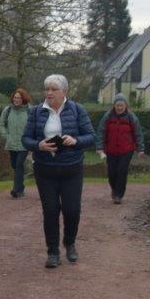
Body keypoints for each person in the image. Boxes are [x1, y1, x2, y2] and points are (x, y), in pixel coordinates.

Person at [21, 73, 95, 269]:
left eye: (54, 89)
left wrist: (75, 141)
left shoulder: (77, 110)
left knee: (72, 210)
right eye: (47, 89)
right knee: (50, 211)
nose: (49, 93)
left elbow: (91, 136)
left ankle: (69, 242)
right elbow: (25, 139)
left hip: (72, 168)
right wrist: (39, 145)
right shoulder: (37, 111)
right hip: (45, 170)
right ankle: (52, 252)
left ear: (65, 91)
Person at [95, 92, 145, 204]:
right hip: (111, 150)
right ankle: (114, 189)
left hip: (126, 150)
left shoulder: (131, 117)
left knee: (122, 171)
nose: (120, 107)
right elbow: (101, 132)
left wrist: (140, 148)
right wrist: (99, 147)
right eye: (117, 105)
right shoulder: (108, 116)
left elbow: (138, 133)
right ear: (114, 105)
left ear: (125, 105)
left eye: (122, 105)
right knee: (112, 173)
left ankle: (119, 195)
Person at [0, 87, 32, 198]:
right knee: (15, 165)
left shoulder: (29, 110)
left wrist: (30, 139)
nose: (16, 100)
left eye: (19, 98)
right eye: (15, 98)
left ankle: (16, 190)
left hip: (24, 143)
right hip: (11, 143)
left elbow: (34, 125)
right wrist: (6, 136)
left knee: (19, 164)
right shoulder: (7, 110)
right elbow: (1, 124)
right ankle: (21, 188)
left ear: (23, 99)